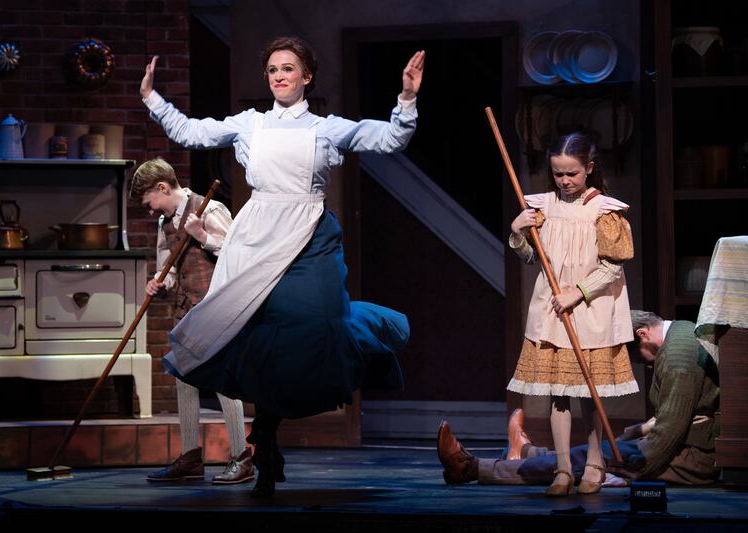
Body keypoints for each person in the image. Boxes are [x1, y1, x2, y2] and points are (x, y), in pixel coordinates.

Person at [140, 37, 425, 497]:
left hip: (308, 236)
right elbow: (192, 132)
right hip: (259, 238)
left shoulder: (326, 129)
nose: (279, 76)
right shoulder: (250, 124)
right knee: (261, 334)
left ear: (306, 76)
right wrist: (152, 98)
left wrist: (407, 97)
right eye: (272, 69)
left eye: (288, 68)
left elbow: (390, 138)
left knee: (315, 325)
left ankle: (277, 426)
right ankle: (266, 445)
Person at [438, 310, 720, 488]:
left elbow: (670, 430)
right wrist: (635, 434)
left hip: (691, 459)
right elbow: (674, 418)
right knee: (595, 453)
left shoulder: (677, 358)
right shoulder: (681, 329)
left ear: (642, 334)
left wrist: (630, 469)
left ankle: (471, 468)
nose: (645, 366)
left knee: (588, 459)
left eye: (638, 359)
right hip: (684, 448)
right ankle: (524, 453)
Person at [506, 132, 638, 496]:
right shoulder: (542, 207)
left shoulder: (604, 211)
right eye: (558, 173)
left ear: (589, 168)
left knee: (588, 392)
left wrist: (576, 294)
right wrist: (518, 234)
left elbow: (612, 268)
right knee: (558, 392)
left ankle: (594, 463)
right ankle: (563, 469)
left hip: (589, 309)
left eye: (572, 173)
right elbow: (533, 258)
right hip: (552, 311)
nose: (564, 181)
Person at [129, 158, 254, 485]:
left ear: (162, 187)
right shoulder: (165, 223)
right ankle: (190, 458)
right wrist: (159, 283)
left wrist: (202, 235)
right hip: (188, 309)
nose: (149, 211)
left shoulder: (209, 210)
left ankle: (242, 457)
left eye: (149, 202)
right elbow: (168, 268)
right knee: (183, 377)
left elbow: (239, 254)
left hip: (217, 307)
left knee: (223, 379)